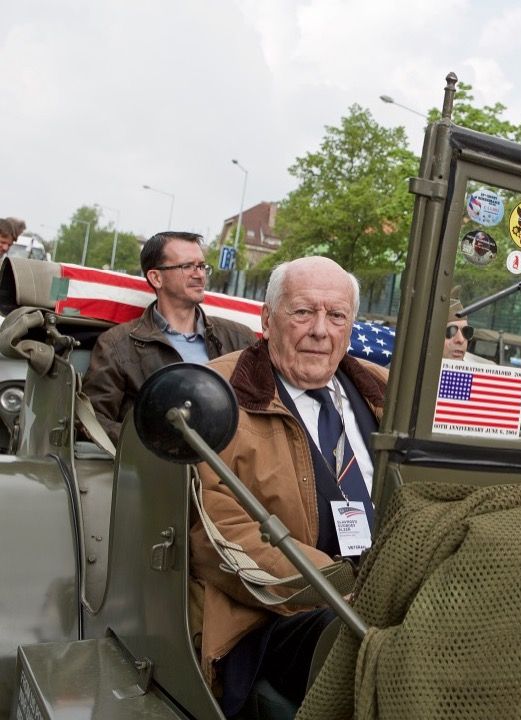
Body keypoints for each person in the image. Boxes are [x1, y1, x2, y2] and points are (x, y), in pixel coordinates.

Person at [189, 256, 389, 715]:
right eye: (302, 312)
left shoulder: (384, 388)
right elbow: (216, 531)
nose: (320, 330)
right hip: (271, 616)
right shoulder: (214, 395)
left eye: (336, 316)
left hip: (387, 590)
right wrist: (337, 588)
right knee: (378, 650)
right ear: (267, 319)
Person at [82, 231, 256, 443]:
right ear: (156, 278)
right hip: (158, 462)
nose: (200, 275)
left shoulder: (240, 339)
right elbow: (91, 420)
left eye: (202, 266)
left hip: (231, 460)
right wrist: (156, 445)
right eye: (187, 266)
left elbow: (265, 409)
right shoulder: (117, 345)